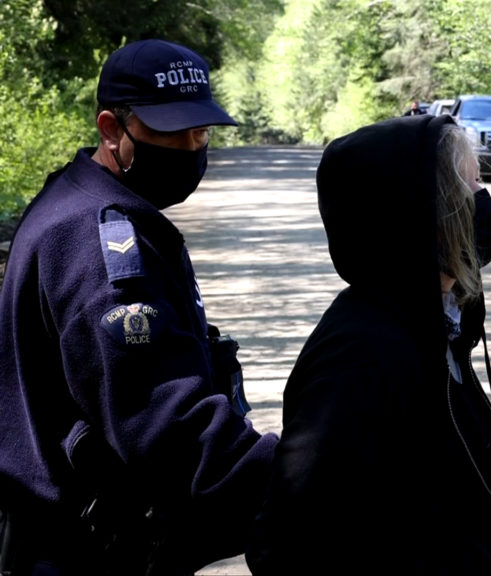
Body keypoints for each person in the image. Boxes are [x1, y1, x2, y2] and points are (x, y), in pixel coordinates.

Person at [0, 39, 278, 575]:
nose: (193, 146)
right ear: (111, 129)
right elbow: (162, 423)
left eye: (201, 131)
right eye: (172, 131)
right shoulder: (95, 240)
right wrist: (294, 476)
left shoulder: (76, 197)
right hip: (76, 553)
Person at [245, 114, 491, 575]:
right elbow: (291, 540)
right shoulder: (361, 355)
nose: (485, 202)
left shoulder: (434, 321)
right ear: (420, 212)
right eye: (471, 186)